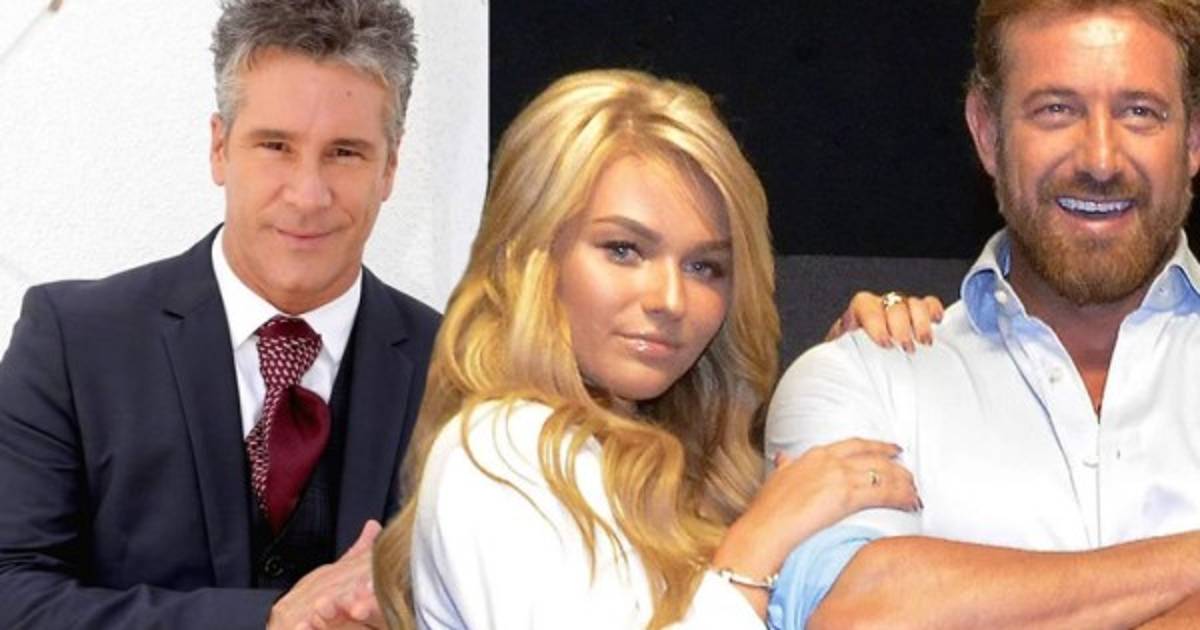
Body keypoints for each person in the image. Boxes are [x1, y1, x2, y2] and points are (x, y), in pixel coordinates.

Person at [367, 68, 925, 630]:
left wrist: (850, 376)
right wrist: (759, 545)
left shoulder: (683, 464)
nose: (670, 300)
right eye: (624, 250)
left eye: (704, 266)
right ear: (530, 252)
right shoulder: (503, 447)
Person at [0, 1, 441, 628]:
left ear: (390, 167)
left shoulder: (461, 366)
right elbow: (11, 594)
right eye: (276, 146)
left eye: (345, 152)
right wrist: (270, 619)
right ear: (219, 147)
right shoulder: (72, 343)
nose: (307, 195)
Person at [766, 0, 1200, 627]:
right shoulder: (863, 378)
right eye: (1056, 110)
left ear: (1192, 139)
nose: (1101, 159)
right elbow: (859, 616)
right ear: (987, 133)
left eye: (1140, 112)